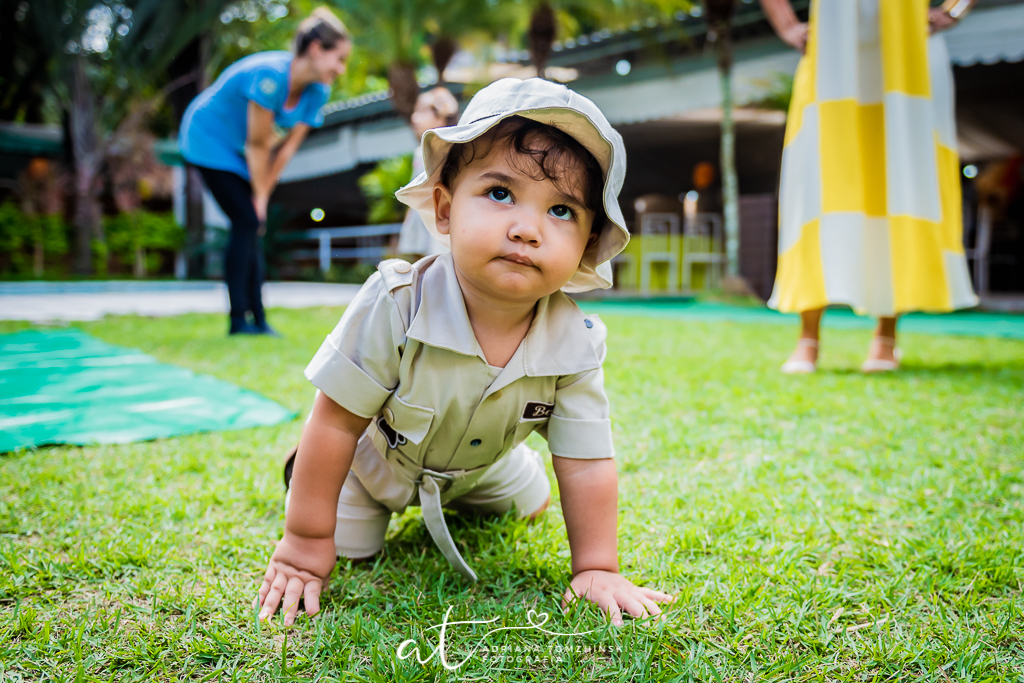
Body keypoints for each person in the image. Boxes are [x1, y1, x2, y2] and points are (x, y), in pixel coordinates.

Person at [254, 78, 675, 627]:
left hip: (483, 468)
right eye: (500, 194)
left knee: (534, 503)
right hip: (375, 464)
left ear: (586, 246)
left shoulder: (577, 341)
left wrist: (596, 565)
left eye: (562, 211)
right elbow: (333, 421)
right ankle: (307, 479)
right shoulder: (397, 301)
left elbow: (587, 457)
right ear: (446, 211)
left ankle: (495, 480)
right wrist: (303, 543)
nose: (527, 229)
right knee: (352, 548)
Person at [759, 0, 980, 373]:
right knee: (817, 183)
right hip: (830, 46)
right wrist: (787, 24)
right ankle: (807, 337)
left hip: (907, 44)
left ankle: (885, 337)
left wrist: (955, 9)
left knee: (899, 181)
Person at [180, 8, 351, 335]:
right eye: (338, 58)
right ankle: (238, 320)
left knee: (251, 225)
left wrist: (263, 196)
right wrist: (258, 200)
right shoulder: (269, 76)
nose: (341, 69)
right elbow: (258, 145)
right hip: (208, 140)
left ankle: (257, 319)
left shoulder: (318, 92)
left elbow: (284, 149)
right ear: (316, 49)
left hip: (240, 151)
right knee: (246, 220)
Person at [395, 87, 461, 259]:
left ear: (441, 115)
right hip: (423, 220)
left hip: (441, 220)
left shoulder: (453, 154)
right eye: (415, 111)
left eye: (423, 111)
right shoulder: (421, 152)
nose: (414, 118)